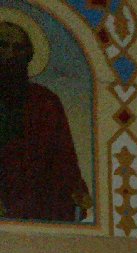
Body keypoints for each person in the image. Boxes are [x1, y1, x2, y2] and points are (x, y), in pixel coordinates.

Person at [0, 20, 91, 221]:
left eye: (18, 48)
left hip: (36, 202)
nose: (10, 54)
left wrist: (76, 188)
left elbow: (64, 158)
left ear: (28, 55)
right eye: (3, 45)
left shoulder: (45, 101)